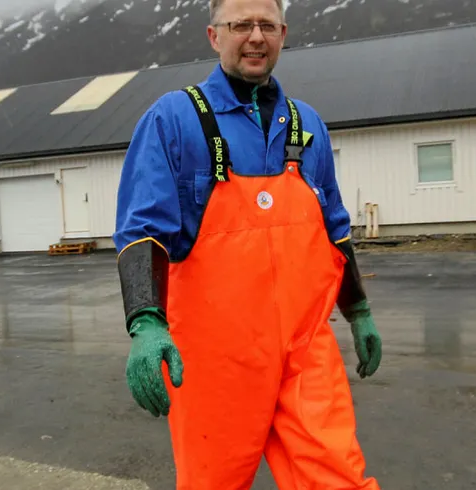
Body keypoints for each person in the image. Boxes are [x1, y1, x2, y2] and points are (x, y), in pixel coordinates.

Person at [112, 0, 382, 487]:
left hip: (304, 352)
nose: (255, 37)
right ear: (215, 36)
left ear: (283, 34)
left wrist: (358, 310)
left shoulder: (308, 125)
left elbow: (335, 229)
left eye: (267, 25)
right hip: (217, 362)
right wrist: (146, 324)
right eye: (240, 25)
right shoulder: (173, 119)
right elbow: (143, 227)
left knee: (339, 477)